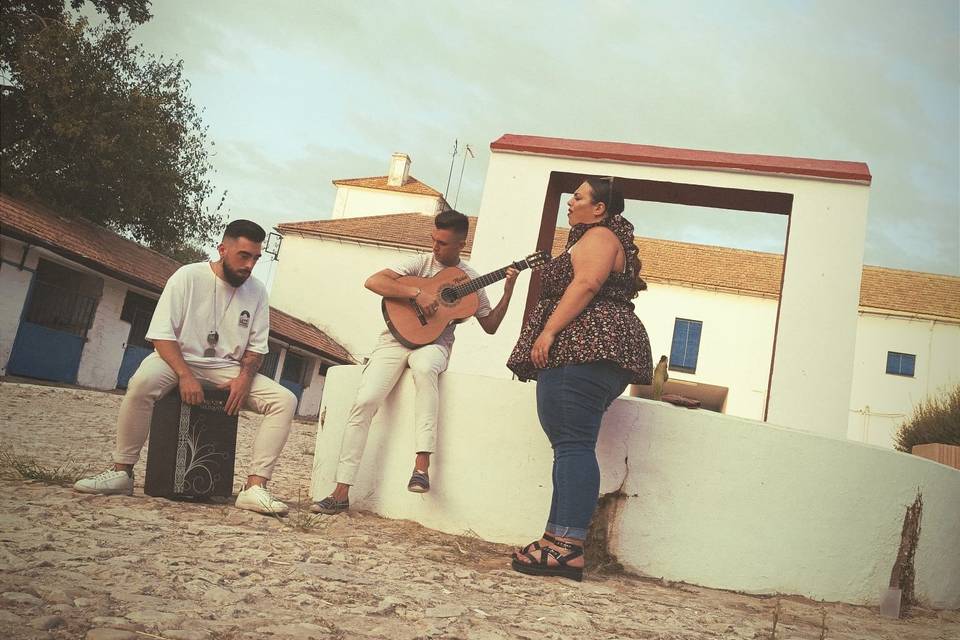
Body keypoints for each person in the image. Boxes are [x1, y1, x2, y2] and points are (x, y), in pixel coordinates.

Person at [74, 220, 298, 515]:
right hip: (177, 358)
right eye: (243, 255)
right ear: (222, 249)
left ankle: (254, 488)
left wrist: (244, 379)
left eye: (255, 258)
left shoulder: (257, 291)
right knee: (142, 382)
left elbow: (256, 349)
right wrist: (185, 375)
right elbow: (161, 335)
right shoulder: (187, 277)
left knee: (285, 400)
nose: (250, 265)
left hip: (226, 366)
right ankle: (121, 472)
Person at [312, 209, 519, 514]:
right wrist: (415, 293)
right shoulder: (420, 262)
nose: (435, 247)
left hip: (434, 344)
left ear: (460, 243)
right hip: (395, 339)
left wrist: (508, 291)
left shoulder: (471, 280)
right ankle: (341, 491)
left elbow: (490, 325)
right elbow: (374, 281)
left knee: (424, 369)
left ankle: (421, 466)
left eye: (442, 243)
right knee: (366, 400)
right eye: (434, 240)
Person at [506, 176, 652, 581]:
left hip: (585, 348)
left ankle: (567, 548)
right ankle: (555, 540)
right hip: (594, 350)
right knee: (569, 445)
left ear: (600, 208)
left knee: (573, 444)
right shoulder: (596, 237)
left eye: (579, 197)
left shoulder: (600, 236)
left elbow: (586, 283)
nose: (571, 203)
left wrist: (549, 331)